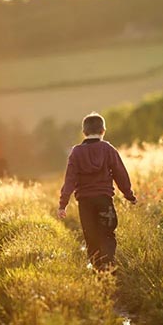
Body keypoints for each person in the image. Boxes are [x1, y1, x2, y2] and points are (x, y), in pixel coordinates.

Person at [57, 112, 137, 271]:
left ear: (84, 132)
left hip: (85, 203)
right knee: (107, 233)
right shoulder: (108, 149)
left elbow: (70, 180)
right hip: (104, 199)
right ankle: (108, 266)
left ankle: (97, 268)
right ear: (103, 131)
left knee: (91, 236)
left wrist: (63, 204)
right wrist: (129, 195)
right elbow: (120, 173)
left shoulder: (76, 152)